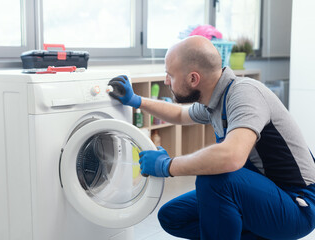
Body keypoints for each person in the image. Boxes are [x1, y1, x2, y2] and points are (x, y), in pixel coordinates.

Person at [107, 35, 315, 240]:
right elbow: (180, 114)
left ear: (193, 78)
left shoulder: (244, 94)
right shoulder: (216, 98)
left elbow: (231, 157)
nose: (166, 80)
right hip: (265, 193)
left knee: (215, 179)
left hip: (297, 204)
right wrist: (136, 101)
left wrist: (167, 166)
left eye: (170, 74)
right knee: (173, 216)